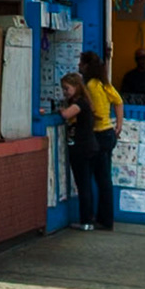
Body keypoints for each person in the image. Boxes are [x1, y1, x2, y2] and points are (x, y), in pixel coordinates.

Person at [79, 50, 123, 230]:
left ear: (87, 66)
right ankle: (106, 219)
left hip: (98, 135)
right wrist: (119, 124)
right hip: (108, 133)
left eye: (81, 63)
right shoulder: (103, 83)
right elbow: (118, 101)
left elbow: (94, 112)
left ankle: (102, 220)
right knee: (105, 179)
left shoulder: (90, 86)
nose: (78, 66)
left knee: (98, 179)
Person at [60, 73, 98, 230]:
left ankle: (86, 221)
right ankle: (88, 219)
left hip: (81, 148)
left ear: (76, 86)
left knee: (83, 185)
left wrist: (59, 108)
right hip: (89, 146)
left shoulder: (80, 103)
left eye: (66, 88)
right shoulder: (85, 102)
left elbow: (66, 114)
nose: (64, 92)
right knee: (86, 184)